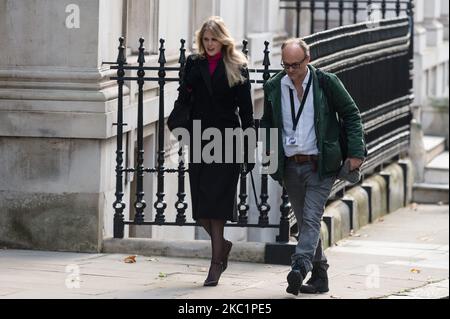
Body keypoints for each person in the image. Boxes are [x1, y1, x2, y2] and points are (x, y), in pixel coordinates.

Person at [261, 38, 366, 295]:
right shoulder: (274, 87)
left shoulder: (326, 83)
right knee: (305, 222)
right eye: (285, 65)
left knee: (310, 218)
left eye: (295, 65)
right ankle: (321, 277)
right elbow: (268, 123)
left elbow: (351, 114)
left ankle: (299, 267)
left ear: (308, 60)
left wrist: (355, 152)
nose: (290, 71)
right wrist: (269, 152)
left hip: (321, 165)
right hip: (290, 166)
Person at [174, 16, 255, 286]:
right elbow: (183, 98)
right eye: (205, 40)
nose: (209, 44)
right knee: (200, 206)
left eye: (214, 40)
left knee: (217, 203)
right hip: (199, 138)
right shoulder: (193, 64)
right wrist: (185, 91)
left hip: (227, 138)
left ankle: (216, 262)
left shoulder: (236, 65)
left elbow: (247, 111)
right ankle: (223, 245)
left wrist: (248, 147)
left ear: (223, 40)